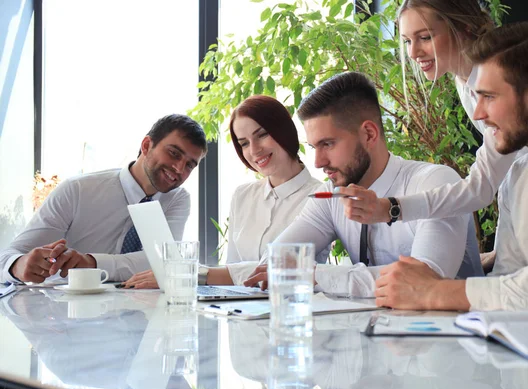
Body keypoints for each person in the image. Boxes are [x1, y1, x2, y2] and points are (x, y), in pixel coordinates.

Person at [375, 21, 528, 311]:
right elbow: (508, 279)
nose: (479, 114)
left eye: (489, 97)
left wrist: (439, 292)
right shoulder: (520, 178)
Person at [244, 71, 483, 295]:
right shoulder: (330, 195)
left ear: (369, 134)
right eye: (314, 147)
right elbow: (277, 261)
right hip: (371, 334)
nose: (317, 162)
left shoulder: (434, 182)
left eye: (327, 144)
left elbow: (424, 280)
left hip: (451, 335)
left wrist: (314, 275)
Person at [338, 0, 523, 269]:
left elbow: (481, 188)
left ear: (464, 28)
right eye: (407, 41)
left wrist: (390, 208)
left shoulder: (499, 82)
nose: (413, 52)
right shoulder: (464, 80)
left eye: (424, 37)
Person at [123, 95, 324, 289]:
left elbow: (273, 269)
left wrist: (186, 274)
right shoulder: (243, 195)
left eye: (262, 135)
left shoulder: (320, 196)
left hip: (292, 312)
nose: (254, 151)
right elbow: (232, 271)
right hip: (240, 314)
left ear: (284, 131)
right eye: (244, 143)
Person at [0, 114, 207, 284]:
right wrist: (18, 265)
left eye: (190, 165)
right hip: (67, 315)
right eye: (173, 153)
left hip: (141, 317)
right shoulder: (78, 191)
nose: (179, 169)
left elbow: (162, 261)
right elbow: (7, 257)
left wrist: (90, 262)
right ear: (146, 146)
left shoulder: (176, 200)